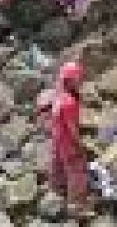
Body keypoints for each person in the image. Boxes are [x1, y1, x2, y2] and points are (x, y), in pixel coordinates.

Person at [47, 61, 89, 212]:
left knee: (59, 168)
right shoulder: (69, 102)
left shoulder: (59, 96)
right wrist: (81, 145)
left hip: (57, 140)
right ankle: (76, 206)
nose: (80, 82)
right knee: (77, 171)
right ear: (69, 80)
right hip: (68, 142)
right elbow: (72, 129)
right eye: (78, 79)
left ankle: (55, 198)